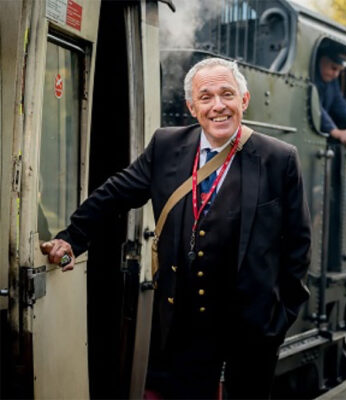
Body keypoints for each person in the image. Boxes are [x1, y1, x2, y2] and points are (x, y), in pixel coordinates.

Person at [40, 57, 312, 399]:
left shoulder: (279, 158)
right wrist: (71, 238)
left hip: (254, 326)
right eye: (206, 97)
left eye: (227, 94)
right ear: (191, 107)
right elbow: (115, 194)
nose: (218, 106)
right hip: (185, 323)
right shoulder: (166, 146)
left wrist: (280, 319)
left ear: (243, 100)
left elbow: (298, 246)